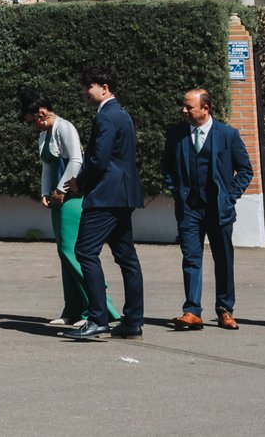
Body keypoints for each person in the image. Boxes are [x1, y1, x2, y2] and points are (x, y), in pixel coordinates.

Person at [66, 68, 145, 341]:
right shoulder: (122, 114)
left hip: (105, 196)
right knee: (126, 258)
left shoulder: (107, 117)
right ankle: (133, 321)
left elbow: (99, 160)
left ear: (105, 87)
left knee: (85, 252)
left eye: (89, 86)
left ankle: (98, 319)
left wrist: (79, 182)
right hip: (123, 196)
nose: (85, 91)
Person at [165, 87, 252, 331]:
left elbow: (245, 170)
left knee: (223, 259)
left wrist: (230, 197)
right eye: (183, 106)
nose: (184, 110)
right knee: (191, 259)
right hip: (189, 209)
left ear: (205, 108)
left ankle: (225, 310)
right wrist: (176, 190)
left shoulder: (227, 135)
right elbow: (167, 166)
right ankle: (192, 311)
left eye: (189, 107)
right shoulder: (176, 135)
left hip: (218, 209)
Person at [27, 92, 91, 327]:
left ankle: (92, 308)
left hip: (72, 198)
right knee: (64, 254)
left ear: (42, 113)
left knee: (70, 251)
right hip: (57, 198)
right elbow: (46, 165)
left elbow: (76, 160)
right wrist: (45, 191)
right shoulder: (45, 133)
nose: (32, 125)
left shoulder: (65, 128)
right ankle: (72, 310)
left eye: (32, 120)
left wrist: (61, 189)